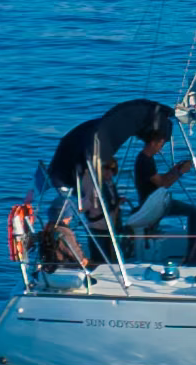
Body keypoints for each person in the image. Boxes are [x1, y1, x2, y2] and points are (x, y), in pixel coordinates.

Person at [39, 99, 184, 257]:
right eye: (109, 169)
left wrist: (117, 203)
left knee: (113, 252)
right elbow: (87, 203)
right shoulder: (92, 182)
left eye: (114, 169)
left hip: (111, 224)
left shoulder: (106, 182)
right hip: (100, 227)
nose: (112, 172)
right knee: (103, 255)